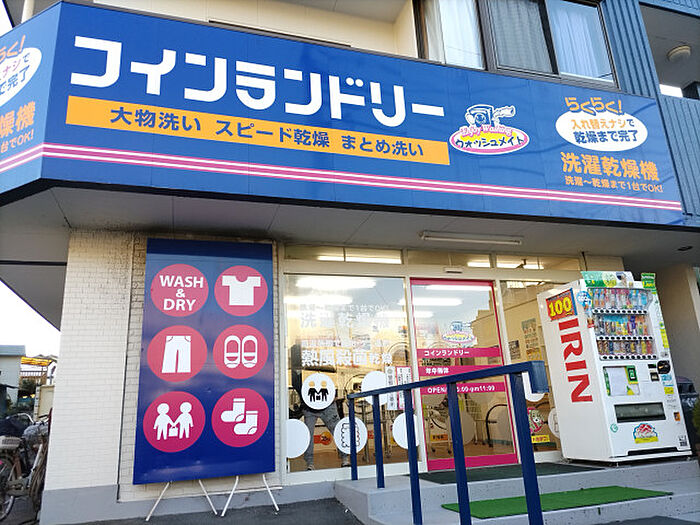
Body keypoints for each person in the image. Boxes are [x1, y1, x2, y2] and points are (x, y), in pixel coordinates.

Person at [290, 343, 349, 470]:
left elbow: (335, 380)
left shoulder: (323, 361)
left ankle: (312, 463)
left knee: (335, 431)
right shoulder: (319, 362)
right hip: (313, 406)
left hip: (322, 405)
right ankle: (312, 463)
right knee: (324, 433)